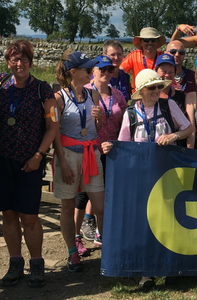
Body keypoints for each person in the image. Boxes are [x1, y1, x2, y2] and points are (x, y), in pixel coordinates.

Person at [100, 69, 194, 289]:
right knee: (145, 222)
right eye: (152, 87)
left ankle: (172, 267)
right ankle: (146, 272)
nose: (157, 90)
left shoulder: (168, 106)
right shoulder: (131, 114)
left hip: (168, 172)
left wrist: (174, 135)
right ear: (141, 91)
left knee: (171, 219)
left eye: (159, 86)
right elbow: (123, 144)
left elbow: (188, 127)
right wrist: (110, 147)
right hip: (141, 177)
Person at [0, 39, 58, 288]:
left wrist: (39, 155)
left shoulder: (43, 90)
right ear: (7, 62)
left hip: (30, 161)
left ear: (31, 61)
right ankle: (15, 263)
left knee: (29, 216)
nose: (19, 64)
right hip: (1, 159)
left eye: (24, 59)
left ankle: (37, 264)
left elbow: (53, 127)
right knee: (8, 214)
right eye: (14, 59)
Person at [52, 51, 105, 273]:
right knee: (67, 206)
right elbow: (54, 132)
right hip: (68, 154)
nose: (91, 71)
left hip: (91, 153)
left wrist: (99, 119)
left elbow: (97, 129)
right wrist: (62, 162)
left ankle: (107, 249)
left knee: (100, 206)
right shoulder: (59, 98)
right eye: (87, 69)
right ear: (73, 72)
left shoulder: (93, 94)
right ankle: (72, 252)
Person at [78, 55, 127, 244]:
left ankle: (103, 231)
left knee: (107, 191)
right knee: (85, 194)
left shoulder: (118, 95)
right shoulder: (85, 91)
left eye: (110, 70)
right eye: (102, 69)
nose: (106, 73)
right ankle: (81, 231)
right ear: (93, 71)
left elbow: (123, 121)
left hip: (112, 150)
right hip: (89, 149)